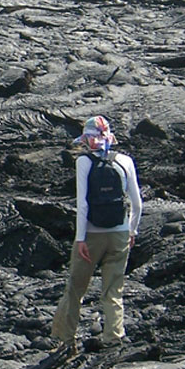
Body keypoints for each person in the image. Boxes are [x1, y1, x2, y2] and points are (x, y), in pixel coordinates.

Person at [51, 115, 143, 349]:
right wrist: (132, 231)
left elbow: (82, 205)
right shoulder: (125, 160)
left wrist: (80, 238)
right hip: (120, 233)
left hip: (91, 235)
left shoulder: (84, 161)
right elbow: (137, 203)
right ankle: (114, 338)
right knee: (113, 290)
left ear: (87, 139)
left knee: (75, 289)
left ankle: (66, 340)